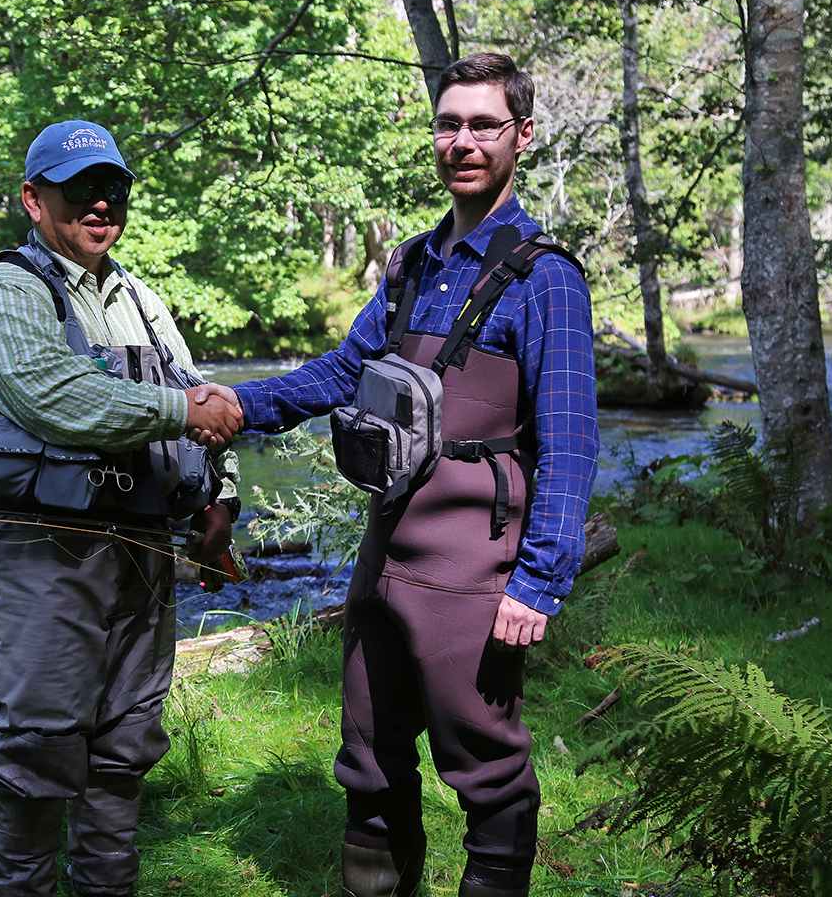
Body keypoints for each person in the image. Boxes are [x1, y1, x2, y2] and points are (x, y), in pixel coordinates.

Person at [219, 53, 599, 897]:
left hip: (475, 566)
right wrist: (228, 405)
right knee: (369, 759)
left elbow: (571, 449)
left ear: (521, 137)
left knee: (487, 773)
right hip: (384, 556)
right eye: (448, 123)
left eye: (483, 125)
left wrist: (538, 584)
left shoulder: (545, 280)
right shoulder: (412, 266)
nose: (462, 141)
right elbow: (337, 375)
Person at [0, 119, 243, 897]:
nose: (100, 203)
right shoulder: (8, 288)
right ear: (33, 199)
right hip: (41, 552)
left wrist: (221, 496)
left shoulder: (139, 298)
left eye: (112, 188)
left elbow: (203, 392)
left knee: (125, 743)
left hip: (142, 548)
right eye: (79, 189)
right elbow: (55, 398)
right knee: (43, 748)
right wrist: (185, 412)